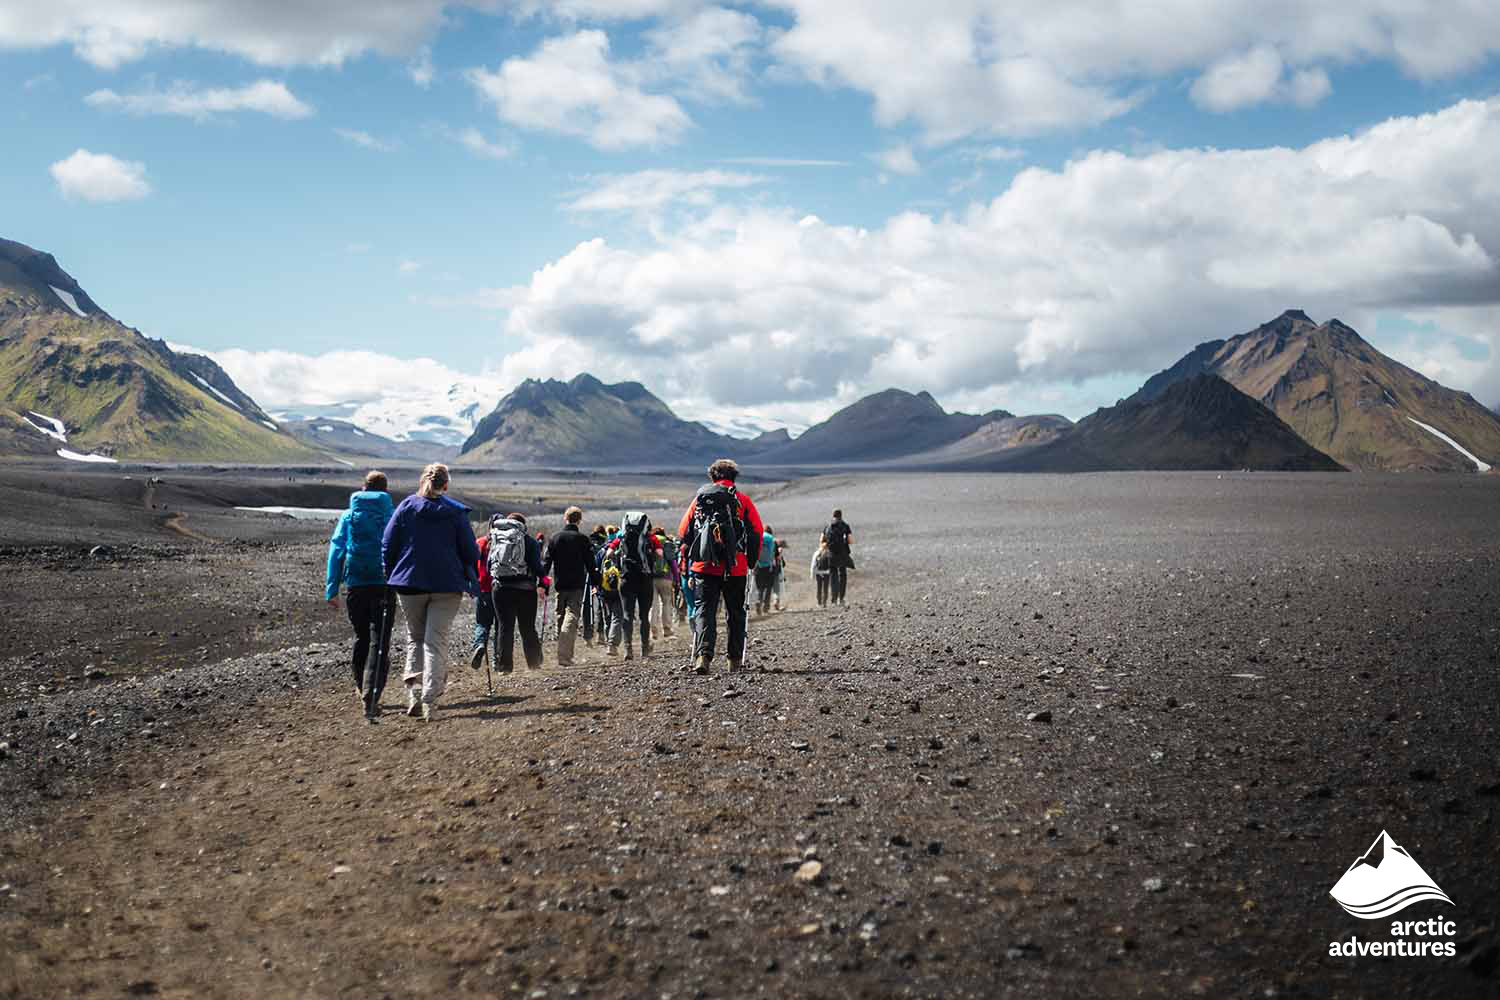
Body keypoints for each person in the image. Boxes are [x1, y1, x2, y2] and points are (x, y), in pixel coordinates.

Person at [382, 463, 480, 722]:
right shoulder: (456, 513)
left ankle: (414, 696)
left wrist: (391, 571)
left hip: (409, 583)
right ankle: (429, 699)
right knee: (435, 642)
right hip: (447, 585)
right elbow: (471, 552)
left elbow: (388, 543)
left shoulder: (406, 507)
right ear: (446, 485)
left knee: (415, 639)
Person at [677, 458, 764, 674]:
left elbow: (683, 531)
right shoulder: (743, 500)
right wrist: (750, 561)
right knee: (735, 613)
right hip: (736, 567)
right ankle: (734, 661)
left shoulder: (700, 499)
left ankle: (703, 657)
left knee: (705, 611)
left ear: (713, 477)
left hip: (704, 567)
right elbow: (757, 532)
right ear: (734, 477)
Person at [324, 470, 396, 720]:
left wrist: (332, 589)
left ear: (363, 488)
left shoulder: (348, 515)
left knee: (362, 637)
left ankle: (360, 685)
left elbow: (337, 551)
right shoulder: (391, 515)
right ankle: (371, 694)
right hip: (384, 585)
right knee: (380, 641)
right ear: (385, 491)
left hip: (356, 584)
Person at [486, 512, 547, 672]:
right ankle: (534, 664)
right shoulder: (530, 542)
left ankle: (504, 667)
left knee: (505, 628)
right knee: (527, 628)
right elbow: (537, 566)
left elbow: (488, 566)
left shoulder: (497, 539)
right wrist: (544, 580)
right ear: (523, 526)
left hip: (501, 589)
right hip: (525, 590)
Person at [605, 512, 661, 659]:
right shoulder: (651, 538)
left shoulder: (621, 537)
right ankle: (644, 649)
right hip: (645, 579)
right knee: (643, 616)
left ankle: (628, 650)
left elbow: (609, 553)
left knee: (627, 615)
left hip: (626, 578)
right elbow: (660, 554)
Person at [545, 506, 594, 666]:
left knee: (560, 617)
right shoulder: (583, 539)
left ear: (565, 518)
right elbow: (591, 565)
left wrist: (542, 582)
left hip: (560, 585)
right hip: (576, 585)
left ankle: (564, 655)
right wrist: (597, 582)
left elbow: (546, 563)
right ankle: (564, 655)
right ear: (579, 520)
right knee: (572, 617)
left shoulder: (555, 538)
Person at [469, 526, 496, 671]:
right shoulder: (507, 542)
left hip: (483, 589)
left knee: (482, 623)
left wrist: (472, 585)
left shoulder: (480, 542)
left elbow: (471, 564)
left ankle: (479, 644)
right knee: (500, 625)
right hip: (501, 589)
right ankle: (498, 661)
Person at [649, 526, 676, 640]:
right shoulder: (667, 543)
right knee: (666, 604)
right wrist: (677, 578)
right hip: (666, 578)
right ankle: (667, 630)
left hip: (651, 579)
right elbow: (673, 563)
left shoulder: (649, 542)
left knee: (653, 606)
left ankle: (653, 632)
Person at [823, 508, 854, 605]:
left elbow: (822, 540)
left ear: (833, 515)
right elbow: (850, 541)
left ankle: (833, 599)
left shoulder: (827, 526)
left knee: (833, 576)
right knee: (842, 575)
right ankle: (841, 598)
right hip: (842, 554)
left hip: (831, 554)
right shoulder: (845, 525)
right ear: (841, 515)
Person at [754, 524, 777, 616]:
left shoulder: (758, 536)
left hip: (758, 566)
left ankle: (759, 600)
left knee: (760, 588)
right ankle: (766, 606)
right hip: (768, 567)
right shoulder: (770, 538)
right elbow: (772, 552)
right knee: (768, 587)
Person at [811, 538, 833, 608]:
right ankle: (824, 603)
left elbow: (813, 564)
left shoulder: (817, 553)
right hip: (826, 573)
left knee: (819, 588)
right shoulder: (829, 553)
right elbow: (832, 564)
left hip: (818, 573)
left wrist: (812, 574)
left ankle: (819, 603)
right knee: (825, 588)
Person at [771, 535, 788, 611]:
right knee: (776, 588)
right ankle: (776, 602)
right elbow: (783, 564)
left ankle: (763, 603)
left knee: (766, 588)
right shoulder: (777, 552)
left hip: (765, 569)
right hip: (775, 571)